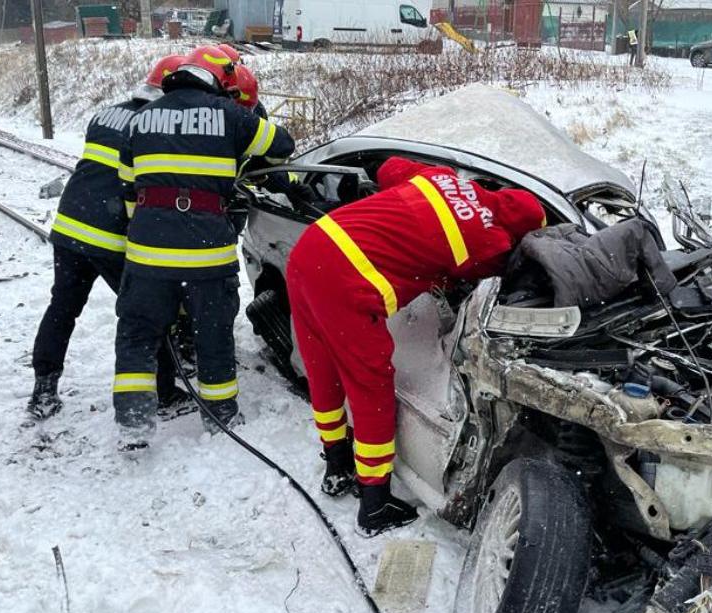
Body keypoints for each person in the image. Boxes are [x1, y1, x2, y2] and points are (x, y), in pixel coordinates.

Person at [284, 156, 546, 536]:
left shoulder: (444, 179)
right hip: (348, 281)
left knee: (323, 368)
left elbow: (389, 166)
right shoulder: (487, 242)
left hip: (312, 249)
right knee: (370, 383)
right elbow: (495, 277)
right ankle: (374, 505)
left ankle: (336, 464)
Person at [113, 53, 295, 449]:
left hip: (147, 254)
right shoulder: (230, 115)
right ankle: (221, 416)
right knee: (212, 335)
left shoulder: (139, 119)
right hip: (206, 254)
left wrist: (148, 232)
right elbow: (282, 144)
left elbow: (129, 189)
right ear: (216, 83)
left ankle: (133, 423)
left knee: (138, 334)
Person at [27, 54, 190, 420]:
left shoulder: (107, 112)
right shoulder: (158, 127)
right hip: (112, 236)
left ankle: (44, 388)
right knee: (148, 313)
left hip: (70, 225)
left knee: (63, 308)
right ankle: (164, 392)